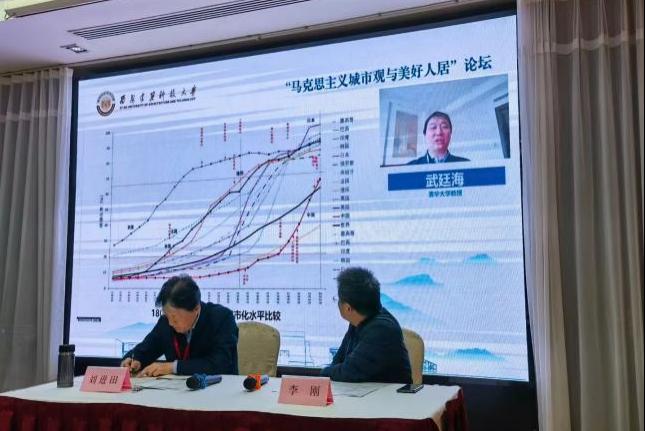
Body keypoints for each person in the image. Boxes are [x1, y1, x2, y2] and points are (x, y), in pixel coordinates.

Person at [121, 274, 238, 377]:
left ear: (196, 308)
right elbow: (146, 348)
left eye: (175, 317)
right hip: (176, 391)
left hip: (218, 390)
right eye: (167, 316)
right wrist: (134, 360)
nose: (170, 323)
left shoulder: (222, 318)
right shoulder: (165, 322)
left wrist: (173, 367)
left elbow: (220, 365)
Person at [320, 267, 412, 383]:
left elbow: (349, 372)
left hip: (389, 394)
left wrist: (324, 372)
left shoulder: (382, 330)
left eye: (338, 299)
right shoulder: (358, 321)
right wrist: (329, 372)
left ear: (348, 308)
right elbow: (338, 362)